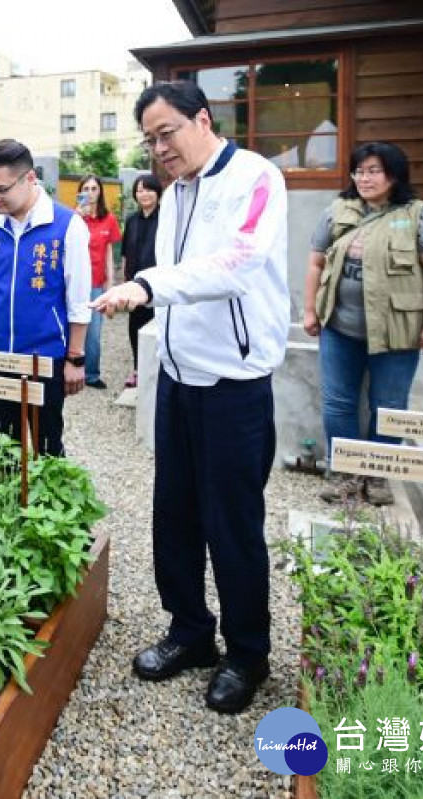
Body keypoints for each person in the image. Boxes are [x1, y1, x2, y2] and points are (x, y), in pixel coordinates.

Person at [92, 81, 289, 714]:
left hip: (233, 384)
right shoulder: (174, 194)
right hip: (176, 378)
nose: (158, 149)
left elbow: (237, 264)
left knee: (231, 523)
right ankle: (189, 631)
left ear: (202, 119)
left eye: (166, 133)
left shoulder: (256, 178)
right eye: (148, 140)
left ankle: (247, 652)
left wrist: (145, 287)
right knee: (172, 512)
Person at [302, 142, 423, 506]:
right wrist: (310, 310)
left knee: (388, 405)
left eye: (373, 170)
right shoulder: (338, 210)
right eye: (359, 170)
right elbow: (315, 263)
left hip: (397, 331)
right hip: (340, 328)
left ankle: (379, 474)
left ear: (394, 174)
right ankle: (345, 474)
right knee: (338, 404)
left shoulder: (419, 214)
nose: (364, 178)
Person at [0, 138, 91, 456]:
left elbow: (78, 301)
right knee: (4, 445)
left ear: (30, 178)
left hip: (44, 355)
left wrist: (75, 358)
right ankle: (9, 504)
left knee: (48, 444)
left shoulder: (67, 225)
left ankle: (48, 505)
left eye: (1, 189)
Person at [77, 175, 122, 389]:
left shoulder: (109, 219)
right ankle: (69, 369)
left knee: (93, 332)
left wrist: (110, 283)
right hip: (75, 283)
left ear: (100, 192)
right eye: (86, 188)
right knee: (73, 326)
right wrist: (77, 215)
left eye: (94, 188)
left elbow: (108, 254)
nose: (90, 192)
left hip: (96, 283)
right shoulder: (74, 218)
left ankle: (91, 375)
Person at [120, 173, 162, 388]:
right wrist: (125, 281)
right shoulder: (131, 220)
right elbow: (126, 253)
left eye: (148, 189)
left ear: (157, 192)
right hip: (135, 284)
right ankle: (138, 368)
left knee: (158, 326)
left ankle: (159, 368)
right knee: (135, 328)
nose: (143, 194)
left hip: (159, 285)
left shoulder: (165, 218)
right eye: (139, 190)